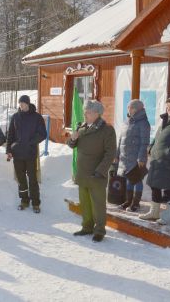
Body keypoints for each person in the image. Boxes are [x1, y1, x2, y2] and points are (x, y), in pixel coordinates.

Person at [68, 100, 116, 243]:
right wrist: (73, 138)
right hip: (82, 173)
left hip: (96, 175)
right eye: (85, 111)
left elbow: (110, 153)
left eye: (88, 112)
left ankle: (100, 230)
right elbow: (72, 145)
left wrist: (100, 171)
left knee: (98, 205)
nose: (85, 114)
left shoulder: (107, 130)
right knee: (85, 203)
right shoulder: (81, 127)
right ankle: (87, 227)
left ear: (97, 113)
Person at [140, 92, 170, 222]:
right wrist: (151, 147)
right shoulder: (165, 121)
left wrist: (168, 152)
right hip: (158, 161)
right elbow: (157, 138)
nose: (168, 108)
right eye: (167, 106)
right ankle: (155, 212)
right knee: (155, 186)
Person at [6, 95, 47, 213]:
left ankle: (35, 203)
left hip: (30, 153)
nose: (21, 105)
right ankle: (24, 201)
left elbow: (42, 134)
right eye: (20, 103)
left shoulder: (37, 117)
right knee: (21, 179)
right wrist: (9, 150)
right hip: (17, 154)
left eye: (23, 103)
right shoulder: (15, 117)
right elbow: (10, 135)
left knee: (32, 179)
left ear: (28, 104)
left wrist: (31, 142)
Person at [115, 99, 151, 212]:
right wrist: (117, 154)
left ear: (138, 109)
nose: (129, 110)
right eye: (128, 108)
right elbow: (121, 140)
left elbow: (144, 142)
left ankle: (136, 203)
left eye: (132, 108)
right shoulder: (127, 121)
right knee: (128, 179)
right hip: (125, 157)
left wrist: (141, 158)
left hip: (135, 157)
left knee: (136, 179)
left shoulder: (143, 123)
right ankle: (128, 201)